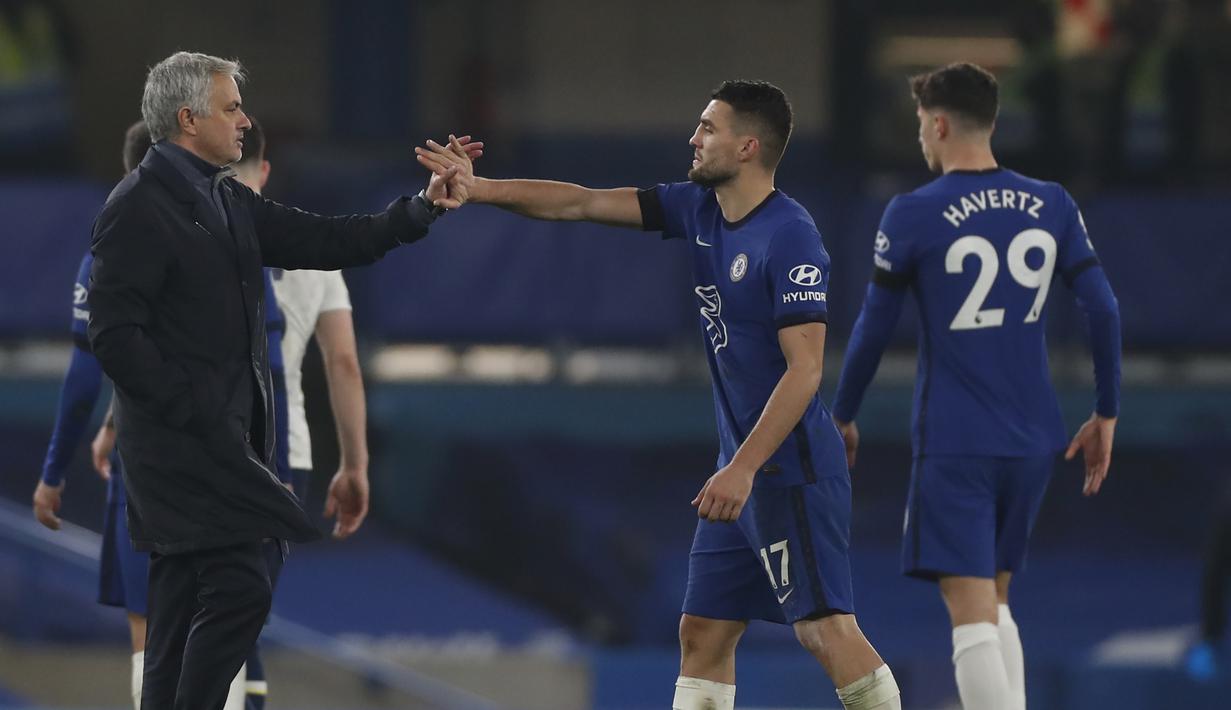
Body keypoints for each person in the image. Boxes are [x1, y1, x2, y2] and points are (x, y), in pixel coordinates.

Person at [416, 81, 901, 710]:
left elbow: (805, 370)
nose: (693, 138)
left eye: (708, 128)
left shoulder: (791, 236)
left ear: (748, 147)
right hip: (738, 477)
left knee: (824, 630)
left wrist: (744, 468)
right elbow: (580, 203)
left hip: (788, 472)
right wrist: (479, 189)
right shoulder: (697, 208)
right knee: (702, 633)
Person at [86, 51, 475, 710]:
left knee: (178, 606)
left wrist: (420, 210)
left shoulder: (223, 196)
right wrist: (193, 410)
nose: (246, 121)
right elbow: (113, 335)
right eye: (232, 108)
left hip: (214, 440)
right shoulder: (137, 206)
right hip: (184, 449)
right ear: (189, 118)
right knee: (244, 582)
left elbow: (326, 240)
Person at [830, 62, 1121, 710]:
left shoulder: (913, 212)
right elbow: (1102, 308)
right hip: (1034, 436)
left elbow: (873, 326)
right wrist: (1106, 411)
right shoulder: (1052, 202)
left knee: (967, 610)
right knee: (994, 596)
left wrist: (842, 412)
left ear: (938, 125)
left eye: (919, 125)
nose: (920, 139)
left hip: (957, 437)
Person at [35, 118, 294, 710]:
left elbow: (89, 371)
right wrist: (268, 466)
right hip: (226, 461)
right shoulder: (231, 239)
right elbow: (265, 366)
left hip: (150, 470)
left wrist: (53, 473)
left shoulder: (110, 248)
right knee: (223, 622)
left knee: (153, 636)